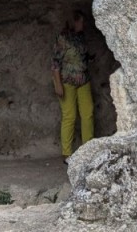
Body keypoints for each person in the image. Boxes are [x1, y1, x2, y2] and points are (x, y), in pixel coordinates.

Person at [51, 9, 94, 163]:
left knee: (87, 113)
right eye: (82, 21)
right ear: (75, 22)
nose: (84, 24)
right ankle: (67, 154)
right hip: (67, 82)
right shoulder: (63, 38)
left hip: (84, 80)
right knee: (69, 116)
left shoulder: (81, 37)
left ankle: (88, 149)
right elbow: (55, 63)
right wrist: (58, 85)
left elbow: (82, 56)